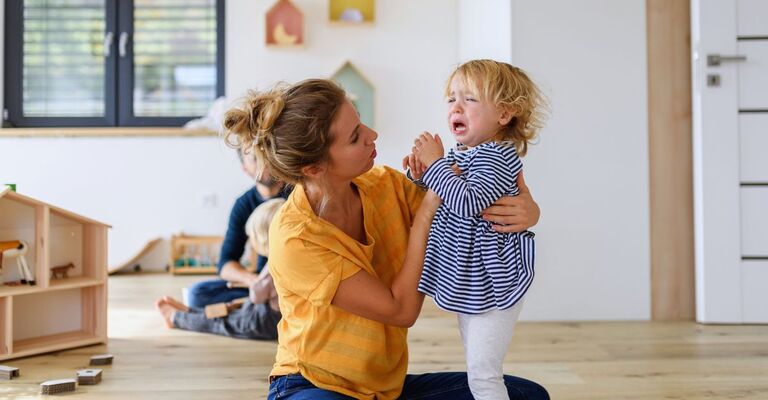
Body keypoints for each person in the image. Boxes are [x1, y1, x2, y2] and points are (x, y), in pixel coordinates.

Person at [223, 79, 548, 399]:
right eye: (355, 137)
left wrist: (528, 210)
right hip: (313, 385)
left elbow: (466, 212)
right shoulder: (296, 238)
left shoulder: (384, 184)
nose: (372, 135)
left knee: (526, 395)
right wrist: (425, 215)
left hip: (385, 389)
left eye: (361, 122)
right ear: (313, 168)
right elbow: (401, 310)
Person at [406, 59, 546, 400]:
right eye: (452, 98)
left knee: (484, 376)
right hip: (472, 281)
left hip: (493, 282)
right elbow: (446, 197)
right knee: (477, 371)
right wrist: (419, 176)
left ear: (503, 114)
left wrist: (437, 165)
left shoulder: (497, 157)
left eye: (469, 99)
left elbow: (467, 201)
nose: (456, 106)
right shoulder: (467, 155)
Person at [155, 198, 284, 340]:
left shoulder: (273, 265)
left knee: (223, 323)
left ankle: (176, 317)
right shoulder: (289, 257)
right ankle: (190, 312)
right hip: (267, 312)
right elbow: (226, 263)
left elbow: (257, 296)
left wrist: (256, 288)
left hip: (266, 319)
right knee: (228, 310)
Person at [185, 149, 288, 308]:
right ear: (245, 169)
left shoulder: (297, 193)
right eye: (255, 159)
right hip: (262, 281)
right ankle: (259, 305)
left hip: (293, 280)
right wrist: (254, 281)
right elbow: (226, 263)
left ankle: (256, 309)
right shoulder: (243, 205)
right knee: (196, 294)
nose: (264, 163)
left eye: (267, 155)